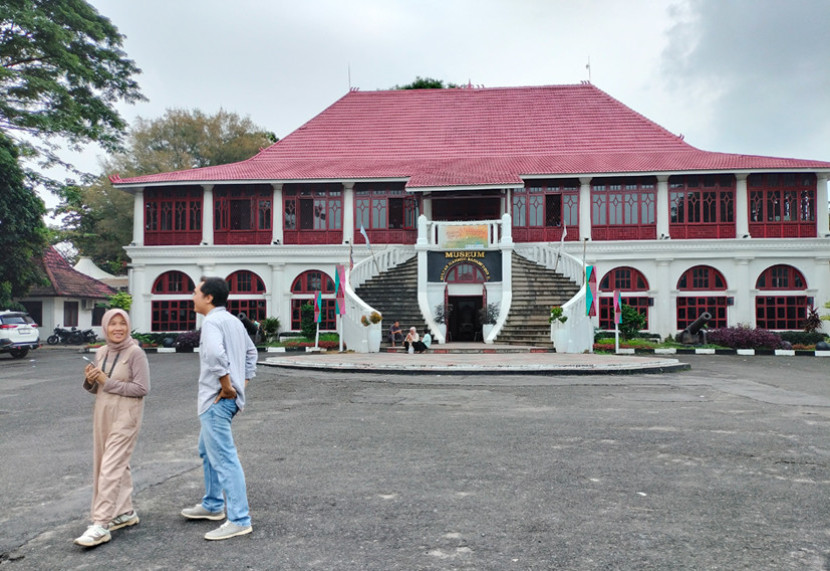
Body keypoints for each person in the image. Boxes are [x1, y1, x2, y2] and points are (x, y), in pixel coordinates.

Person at [181, 276, 258, 541]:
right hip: (227, 399)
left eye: (195, 292)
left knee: (224, 457)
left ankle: (239, 518)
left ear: (208, 297)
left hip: (216, 399)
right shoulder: (234, 321)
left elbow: (214, 354)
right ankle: (213, 505)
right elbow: (252, 354)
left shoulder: (213, 321)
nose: (192, 297)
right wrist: (241, 383)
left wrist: (228, 384)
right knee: (207, 449)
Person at [74, 309, 150, 547]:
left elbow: (142, 388)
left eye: (122, 323)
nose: (118, 328)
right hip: (103, 413)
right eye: (112, 324)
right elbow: (98, 388)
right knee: (111, 463)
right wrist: (90, 379)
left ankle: (101, 523)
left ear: (128, 326)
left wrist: (107, 381)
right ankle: (125, 512)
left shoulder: (135, 352)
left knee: (110, 466)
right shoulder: (102, 352)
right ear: (105, 327)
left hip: (126, 415)